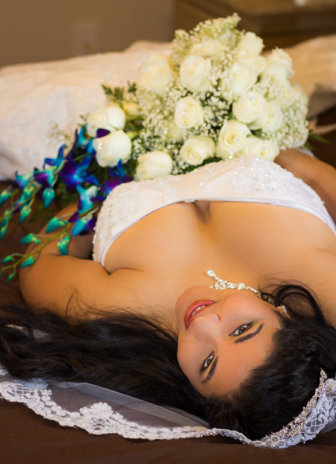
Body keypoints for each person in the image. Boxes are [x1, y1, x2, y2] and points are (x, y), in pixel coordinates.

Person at [1, 148, 336, 442]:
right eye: (241, 329)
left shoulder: (118, 309)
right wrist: (276, 140)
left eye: (207, 362)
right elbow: (318, 176)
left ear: (194, 389)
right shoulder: (322, 284)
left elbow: (38, 260)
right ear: (283, 313)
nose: (204, 324)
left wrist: (106, 177)